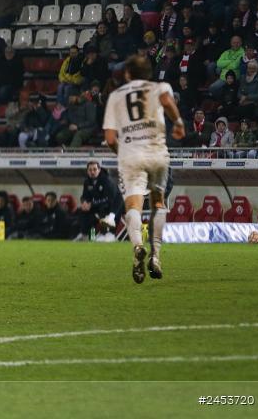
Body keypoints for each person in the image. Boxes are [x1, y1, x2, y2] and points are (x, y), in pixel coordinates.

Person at [103, 55, 185, 284]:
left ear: (128, 74)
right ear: (149, 73)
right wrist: (178, 123)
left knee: (133, 207)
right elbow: (168, 102)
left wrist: (122, 152)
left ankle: (138, 246)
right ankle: (156, 256)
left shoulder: (116, 96)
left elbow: (110, 138)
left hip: (131, 154)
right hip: (157, 153)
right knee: (158, 202)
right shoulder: (160, 86)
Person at [76, 161, 122, 241]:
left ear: (99, 170)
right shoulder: (87, 182)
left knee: (100, 211)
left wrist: (92, 204)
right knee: (83, 212)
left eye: (94, 169)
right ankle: (86, 235)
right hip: (98, 206)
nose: (92, 172)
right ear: (87, 171)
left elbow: (109, 199)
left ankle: (109, 234)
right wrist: (84, 203)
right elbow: (84, 196)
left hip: (113, 207)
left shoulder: (107, 181)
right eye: (90, 170)